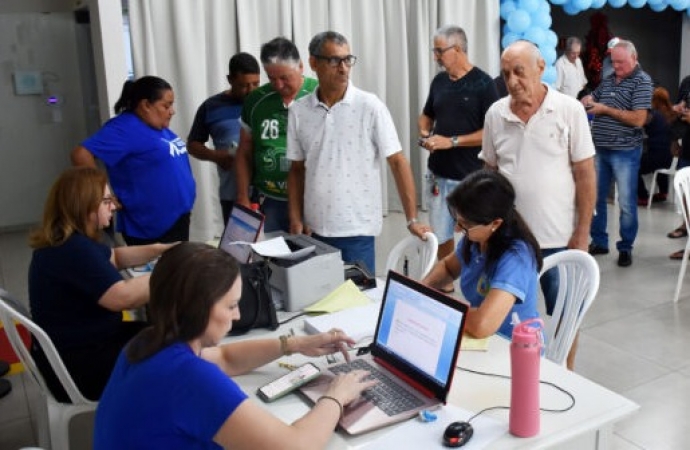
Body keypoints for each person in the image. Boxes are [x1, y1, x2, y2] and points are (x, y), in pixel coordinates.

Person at [93, 242, 376, 449]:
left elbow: (226, 358)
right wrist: (337, 396)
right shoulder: (190, 378)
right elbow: (296, 446)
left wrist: (295, 344)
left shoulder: (148, 341)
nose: (238, 315)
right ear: (197, 307)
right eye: (230, 306)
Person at [480, 40, 596, 369]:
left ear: (540, 68)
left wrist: (582, 231)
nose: (513, 80)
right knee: (508, 316)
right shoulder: (495, 114)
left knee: (566, 314)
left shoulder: (568, 109)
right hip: (510, 241)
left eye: (520, 72)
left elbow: (585, 173)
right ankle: (511, 373)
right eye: (506, 74)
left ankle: (566, 374)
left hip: (559, 240)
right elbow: (489, 174)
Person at [28, 167, 176, 401]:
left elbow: (114, 257)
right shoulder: (74, 251)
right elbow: (123, 298)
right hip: (81, 369)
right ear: (84, 205)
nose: (114, 206)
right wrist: (177, 270)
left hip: (74, 351)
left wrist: (161, 249)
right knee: (175, 349)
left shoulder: (66, 241)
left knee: (164, 336)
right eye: (106, 201)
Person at [287, 31, 430, 273]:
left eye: (348, 59)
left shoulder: (369, 106)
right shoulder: (299, 111)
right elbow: (296, 170)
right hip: (314, 230)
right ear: (313, 63)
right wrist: (295, 218)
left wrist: (412, 219)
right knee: (318, 303)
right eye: (334, 61)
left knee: (358, 302)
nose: (343, 68)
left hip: (357, 230)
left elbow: (397, 161)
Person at [418, 25, 499, 293]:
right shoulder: (439, 82)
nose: (436, 57)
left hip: (470, 177)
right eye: (435, 51)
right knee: (440, 233)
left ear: (458, 49)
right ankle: (445, 281)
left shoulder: (484, 84)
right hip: (439, 174)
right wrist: (425, 131)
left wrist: (451, 141)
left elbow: (491, 131)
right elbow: (427, 114)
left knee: (475, 234)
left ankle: (478, 281)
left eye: (439, 51)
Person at [71, 76, 196, 246]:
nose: (172, 111)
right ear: (145, 105)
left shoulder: (156, 126)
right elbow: (81, 154)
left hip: (176, 218)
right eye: (166, 106)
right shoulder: (123, 128)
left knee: (179, 268)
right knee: (163, 271)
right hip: (151, 225)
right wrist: (101, 193)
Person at [422, 170, 542, 339]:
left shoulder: (517, 258)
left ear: (495, 223)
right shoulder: (476, 238)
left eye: (465, 224)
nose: (457, 229)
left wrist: (440, 308)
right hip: (480, 339)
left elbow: (482, 325)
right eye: (458, 220)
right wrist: (421, 290)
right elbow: (449, 267)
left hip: (512, 347)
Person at [235, 37, 318, 232]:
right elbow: (244, 151)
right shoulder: (256, 100)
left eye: (284, 78)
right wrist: (243, 196)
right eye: (272, 79)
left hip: (312, 202)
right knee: (270, 257)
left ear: (300, 66)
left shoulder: (319, 95)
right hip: (269, 199)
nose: (278, 85)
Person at [582, 39, 653, 267]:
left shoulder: (642, 81)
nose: (617, 67)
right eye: (614, 62)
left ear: (634, 58)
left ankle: (625, 248)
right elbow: (595, 96)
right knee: (596, 199)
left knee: (626, 203)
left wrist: (604, 109)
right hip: (600, 149)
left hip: (626, 152)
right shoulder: (609, 80)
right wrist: (589, 99)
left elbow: (639, 119)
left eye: (621, 62)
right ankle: (600, 242)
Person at [187, 53, 261, 224]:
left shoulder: (265, 102)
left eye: (256, 84)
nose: (251, 91)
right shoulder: (211, 107)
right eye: (244, 85)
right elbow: (193, 145)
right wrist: (216, 156)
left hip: (269, 192)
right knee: (237, 247)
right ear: (230, 79)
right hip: (232, 193)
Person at [637, 87, 675, 206]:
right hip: (671, 159)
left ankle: (643, 197)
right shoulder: (672, 114)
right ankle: (663, 192)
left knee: (633, 166)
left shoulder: (653, 114)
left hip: (657, 157)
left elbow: (638, 123)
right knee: (658, 160)